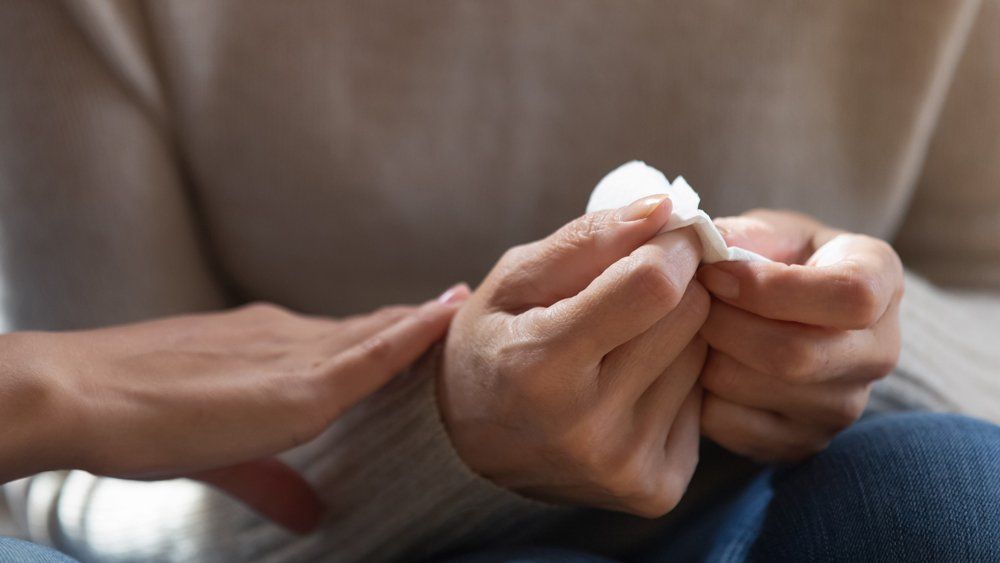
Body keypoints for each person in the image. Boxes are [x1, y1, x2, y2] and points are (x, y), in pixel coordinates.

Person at [0, 1, 998, 561]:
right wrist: (442, 437)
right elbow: (79, 461)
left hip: (810, 478)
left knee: (943, 493)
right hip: (356, 540)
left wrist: (865, 334)